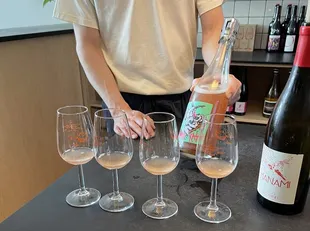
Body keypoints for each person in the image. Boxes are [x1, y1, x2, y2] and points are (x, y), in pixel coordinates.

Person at [53, 0, 241, 139]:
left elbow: (213, 29)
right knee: (125, 185)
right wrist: (118, 110)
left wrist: (219, 73)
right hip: (120, 102)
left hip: (184, 98)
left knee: (182, 182)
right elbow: (88, 45)